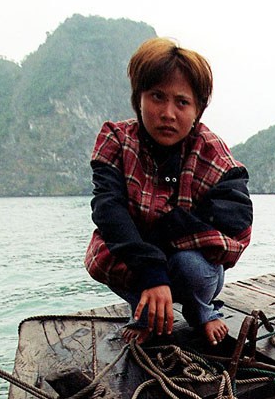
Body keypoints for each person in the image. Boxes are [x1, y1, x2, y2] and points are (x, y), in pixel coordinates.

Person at [85, 37, 252, 345]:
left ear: (198, 109)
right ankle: (144, 311)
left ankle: (202, 310)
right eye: (157, 97)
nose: (168, 113)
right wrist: (151, 269)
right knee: (101, 256)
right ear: (139, 99)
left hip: (190, 265)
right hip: (139, 256)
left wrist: (165, 234)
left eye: (182, 102)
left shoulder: (212, 153)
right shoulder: (117, 140)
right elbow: (108, 209)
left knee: (190, 266)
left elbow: (236, 224)